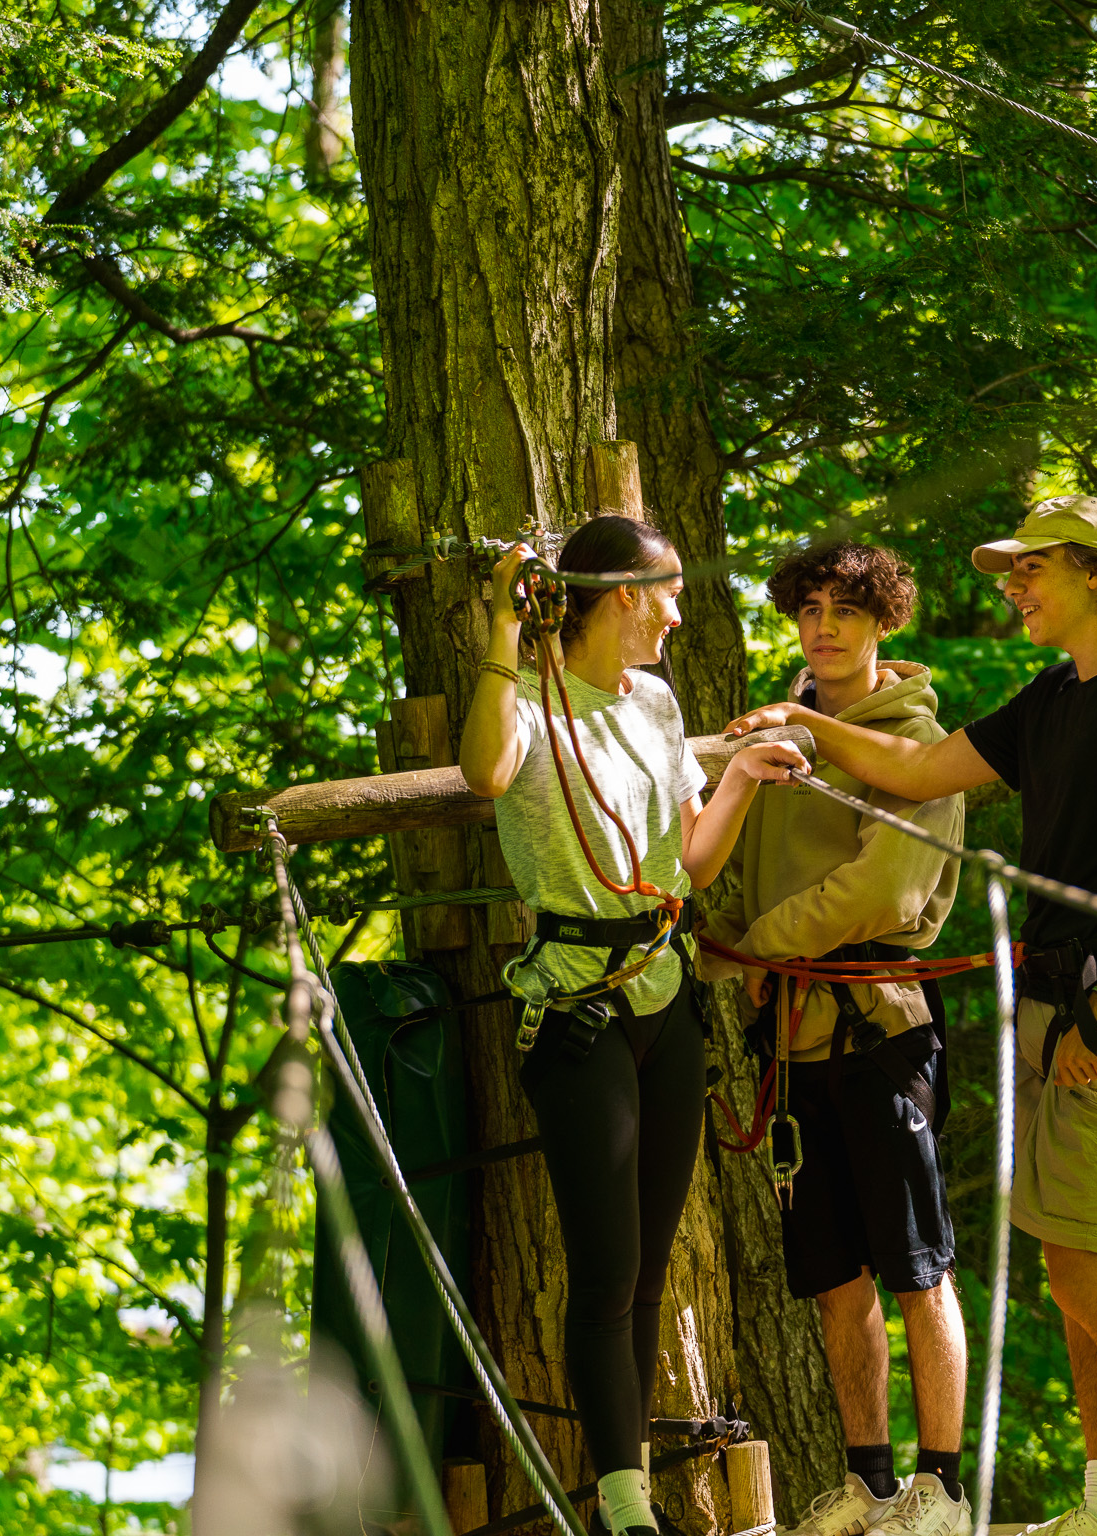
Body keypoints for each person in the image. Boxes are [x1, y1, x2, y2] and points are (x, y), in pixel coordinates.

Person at [725, 498, 1097, 1536]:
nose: (1010, 589)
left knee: (1090, 1272)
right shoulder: (1056, 696)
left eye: (1032, 571)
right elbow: (915, 770)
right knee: (1065, 1267)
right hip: (1061, 1011)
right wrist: (801, 725)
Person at [460, 516, 806, 1536]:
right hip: (577, 1009)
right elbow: (485, 774)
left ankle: (637, 1494)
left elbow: (689, 862)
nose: (677, 614)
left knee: (651, 1265)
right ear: (619, 597)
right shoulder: (526, 705)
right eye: (665, 595)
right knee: (606, 1268)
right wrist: (499, 624)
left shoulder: (654, 701)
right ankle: (620, 1507)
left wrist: (739, 776)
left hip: (664, 992)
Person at [702, 542, 971, 1536]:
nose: (824, 625)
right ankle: (866, 1484)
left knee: (915, 1263)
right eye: (809, 607)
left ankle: (937, 1491)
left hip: (877, 1023)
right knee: (832, 1275)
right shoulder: (779, 735)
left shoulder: (914, 746)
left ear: (882, 622)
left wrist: (741, 954)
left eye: (847, 609)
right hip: (794, 1038)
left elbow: (880, 891)